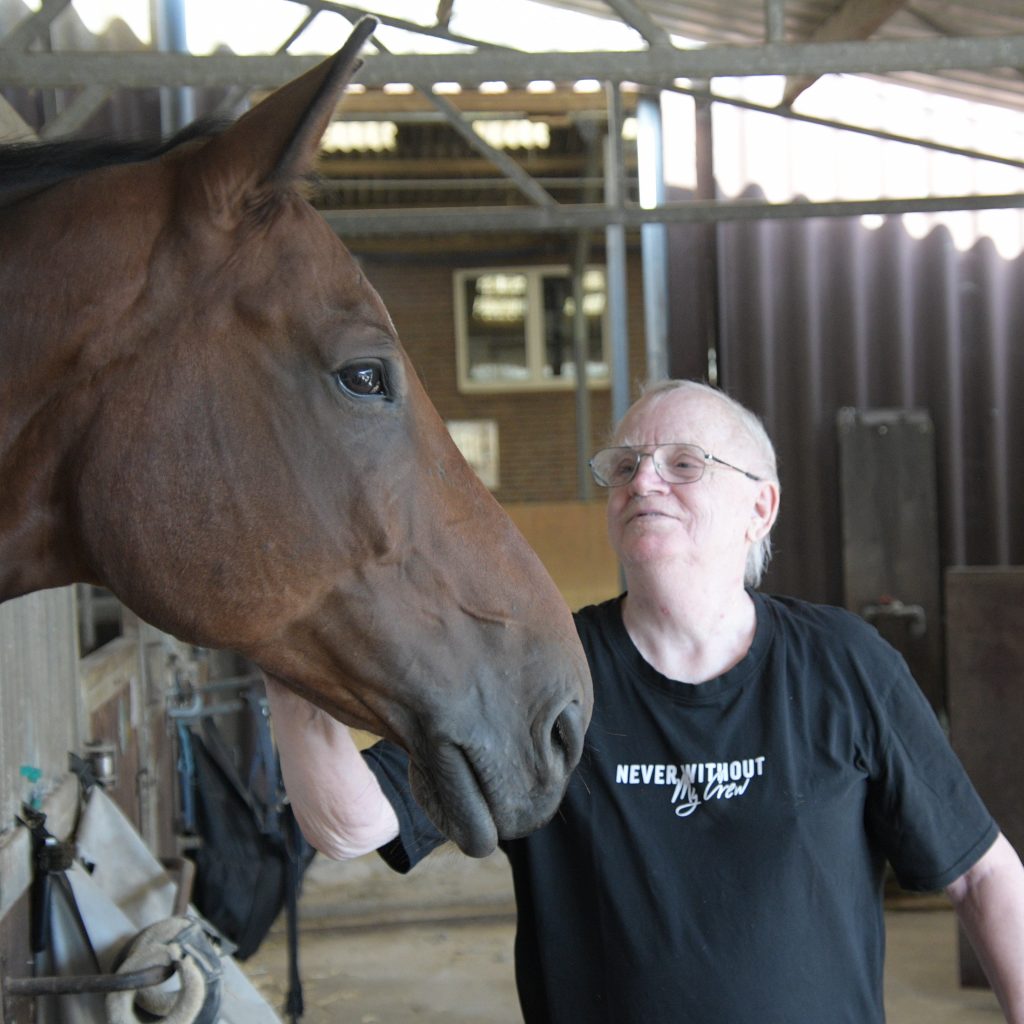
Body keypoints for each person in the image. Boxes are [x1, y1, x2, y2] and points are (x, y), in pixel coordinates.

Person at [266, 378, 1024, 1023]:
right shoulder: (540, 676)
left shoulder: (845, 665)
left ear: (760, 508)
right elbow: (353, 826)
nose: (642, 481)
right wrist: (282, 640)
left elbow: (982, 873)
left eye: (684, 463)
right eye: (625, 465)